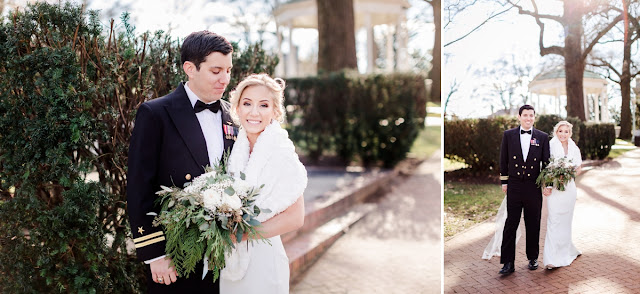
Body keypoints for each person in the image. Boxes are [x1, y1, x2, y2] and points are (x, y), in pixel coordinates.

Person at [127, 31, 237, 292]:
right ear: (190, 68)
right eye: (216, 71)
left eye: (229, 70)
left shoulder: (233, 116)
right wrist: (155, 254)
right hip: (175, 254)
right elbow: (138, 187)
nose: (225, 79)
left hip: (225, 251)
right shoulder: (155, 114)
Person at [220, 73, 306, 293]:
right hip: (228, 261)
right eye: (247, 103)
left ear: (275, 112)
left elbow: (296, 218)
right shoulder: (232, 151)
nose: (254, 112)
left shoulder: (281, 153)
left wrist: (245, 234)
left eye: (264, 105)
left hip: (264, 259)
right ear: (237, 108)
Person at [498, 105, 551, 275]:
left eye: (531, 116)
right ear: (519, 117)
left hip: (533, 186)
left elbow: (547, 163)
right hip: (514, 185)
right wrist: (504, 182)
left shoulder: (542, 137)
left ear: (534, 118)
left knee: (533, 223)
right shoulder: (509, 135)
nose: (528, 118)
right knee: (510, 224)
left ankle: (533, 257)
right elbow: (503, 159)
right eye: (525, 115)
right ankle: (507, 262)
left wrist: (547, 183)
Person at [543, 121, 582, 270]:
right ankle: (551, 259)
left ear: (570, 133)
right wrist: (547, 185)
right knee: (554, 220)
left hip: (569, 189)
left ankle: (566, 251)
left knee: (565, 222)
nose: (563, 134)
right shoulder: (550, 145)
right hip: (555, 189)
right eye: (560, 131)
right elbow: (546, 167)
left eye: (566, 131)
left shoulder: (574, 147)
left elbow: (578, 168)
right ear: (556, 132)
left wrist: (568, 175)